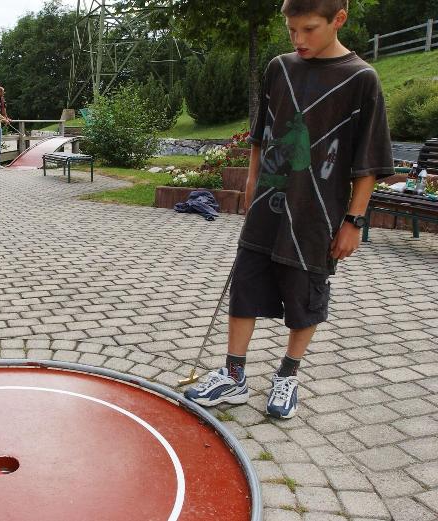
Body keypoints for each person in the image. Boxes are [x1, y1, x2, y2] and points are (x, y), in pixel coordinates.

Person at [184, 0, 393, 419]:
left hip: (318, 213)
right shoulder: (280, 68)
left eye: (309, 30)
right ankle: (234, 375)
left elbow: (368, 162)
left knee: (305, 294)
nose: (298, 40)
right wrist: (250, 180)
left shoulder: (361, 80)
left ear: (339, 19)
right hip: (268, 204)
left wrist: (354, 220)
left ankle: (287, 375)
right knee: (245, 283)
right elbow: (262, 132)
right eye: (291, 30)